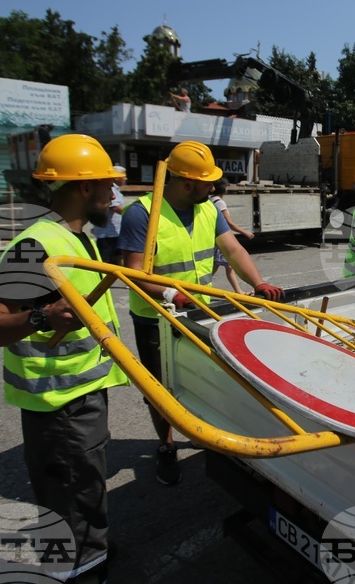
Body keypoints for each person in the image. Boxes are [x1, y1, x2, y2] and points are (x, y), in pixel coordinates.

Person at [0, 134, 128, 583]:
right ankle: (79, 569)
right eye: (106, 185)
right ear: (83, 188)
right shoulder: (36, 246)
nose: (112, 194)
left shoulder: (76, 238)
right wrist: (43, 315)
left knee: (84, 487)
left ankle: (89, 553)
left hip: (79, 393)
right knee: (70, 492)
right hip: (59, 404)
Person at [118, 140, 283, 485]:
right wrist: (169, 293)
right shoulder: (142, 213)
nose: (213, 187)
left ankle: (203, 430)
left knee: (204, 379)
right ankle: (166, 446)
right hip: (156, 316)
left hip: (198, 312)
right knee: (160, 388)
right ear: (186, 182)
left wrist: (259, 281)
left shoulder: (207, 208)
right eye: (207, 182)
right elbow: (132, 272)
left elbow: (233, 249)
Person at [209, 177, 254, 293]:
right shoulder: (220, 202)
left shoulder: (210, 200)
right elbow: (229, 223)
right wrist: (245, 232)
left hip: (213, 237)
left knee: (217, 265)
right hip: (222, 238)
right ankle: (238, 291)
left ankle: (200, 285)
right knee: (229, 266)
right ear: (223, 189)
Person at [92, 165, 127, 264]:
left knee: (118, 258)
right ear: (116, 177)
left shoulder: (116, 189)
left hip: (115, 232)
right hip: (107, 234)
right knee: (106, 261)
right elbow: (115, 207)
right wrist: (131, 214)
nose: (126, 178)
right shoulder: (111, 189)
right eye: (124, 176)